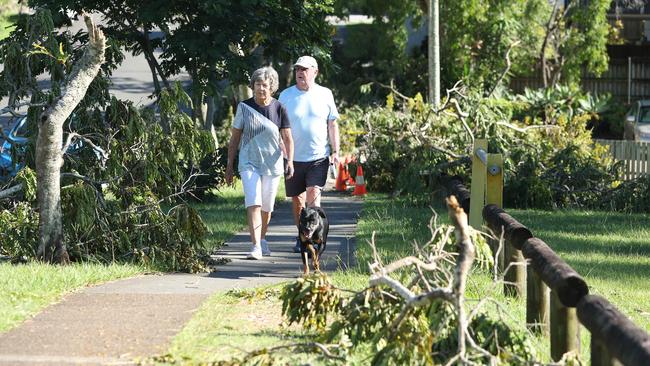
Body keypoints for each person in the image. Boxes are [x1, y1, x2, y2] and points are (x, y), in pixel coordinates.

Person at [226, 66, 294, 260]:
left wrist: (290, 161)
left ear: (271, 87)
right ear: (253, 86)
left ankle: (262, 238)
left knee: (267, 207)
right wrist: (229, 165)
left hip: (272, 164)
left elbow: (288, 138)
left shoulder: (279, 108)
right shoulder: (244, 107)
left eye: (264, 85)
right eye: (257, 84)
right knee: (253, 202)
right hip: (249, 162)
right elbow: (234, 139)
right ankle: (255, 245)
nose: (261, 88)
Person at [279, 55, 340, 253]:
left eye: (304, 69)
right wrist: (282, 150)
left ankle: (314, 235)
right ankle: (301, 236)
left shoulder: (325, 94)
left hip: (318, 156)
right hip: (293, 158)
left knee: (313, 195)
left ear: (315, 72)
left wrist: (336, 150)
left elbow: (332, 124)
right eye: (297, 69)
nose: (300, 73)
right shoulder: (286, 95)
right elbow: (278, 127)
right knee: (298, 200)